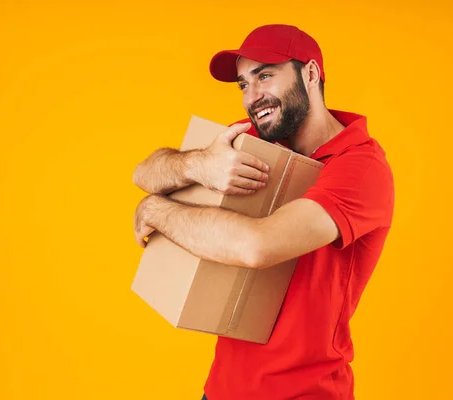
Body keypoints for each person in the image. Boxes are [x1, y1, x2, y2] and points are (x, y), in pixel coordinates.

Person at [132, 24, 395, 400]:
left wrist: (156, 210)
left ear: (311, 73)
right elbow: (145, 171)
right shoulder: (256, 141)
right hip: (222, 390)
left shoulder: (362, 168)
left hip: (305, 393)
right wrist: (197, 164)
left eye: (265, 76)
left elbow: (257, 246)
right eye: (243, 85)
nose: (252, 97)